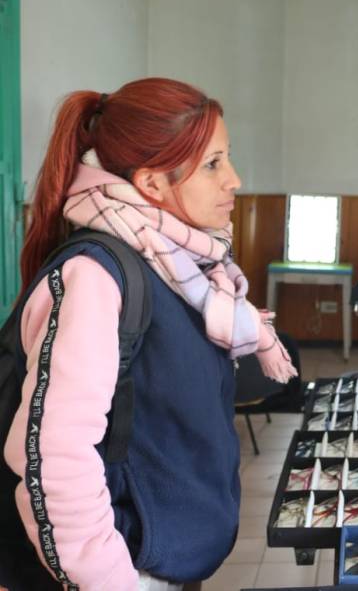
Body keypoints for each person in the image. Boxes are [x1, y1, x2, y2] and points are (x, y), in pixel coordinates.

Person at [2, 78, 297, 590]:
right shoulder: (96, 276)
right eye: (213, 164)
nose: (235, 179)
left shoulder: (182, 263)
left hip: (165, 560)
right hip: (120, 572)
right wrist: (113, 582)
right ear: (151, 183)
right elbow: (55, 461)